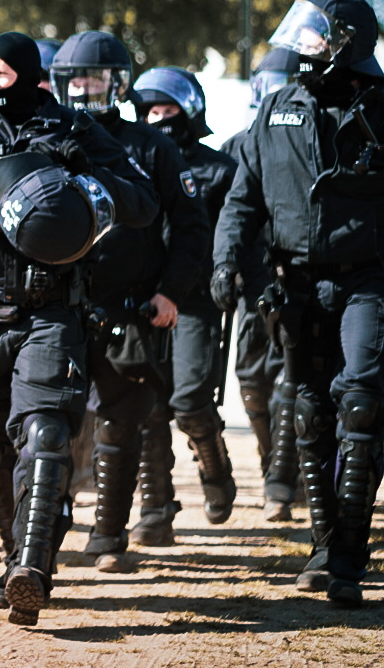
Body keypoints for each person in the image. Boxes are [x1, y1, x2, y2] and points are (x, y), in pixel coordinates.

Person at [212, 0, 384, 606]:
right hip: (297, 286)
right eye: (298, 35)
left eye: (315, 36)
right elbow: (242, 201)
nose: (301, 47)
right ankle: (323, 547)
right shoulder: (275, 112)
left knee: (359, 402)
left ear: (347, 43)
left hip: (371, 282)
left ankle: (350, 554)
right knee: (308, 412)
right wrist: (228, 264)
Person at [0, 31, 158, 625]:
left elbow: (141, 202)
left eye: (3, 74)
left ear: (30, 77)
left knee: (47, 434)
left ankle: (33, 566)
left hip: (52, 311)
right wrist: (15, 189)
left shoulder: (76, 129)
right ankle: (14, 560)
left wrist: (83, 178)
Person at [48, 34, 213, 572]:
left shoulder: (152, 147)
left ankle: (108, 534)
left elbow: (190, 227)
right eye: (76, 78)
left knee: (121, 425)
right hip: (59, 304)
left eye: (95, 78)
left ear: (117, 84)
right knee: (51, 420)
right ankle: (40, 532)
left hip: (132, 308)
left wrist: (170, 292)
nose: (84, 88)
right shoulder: (43, 138)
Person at [130, 66, 241, 541]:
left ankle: (216, 471)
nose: (158, 118)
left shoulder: (220, 170)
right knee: (148, 407)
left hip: (196, 301)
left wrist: (229, 274)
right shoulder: (130, 162)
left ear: (189, 111)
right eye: (150, 110)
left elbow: (236, 230)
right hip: (143, 302)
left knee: (191, 401)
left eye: (168, 109)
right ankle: (155, 510)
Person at [219, 49, 299, 520]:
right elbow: (224, 217)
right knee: (252, 382)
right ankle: (272, 462)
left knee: (293, 381)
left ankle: (283, 481)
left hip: (300, 282)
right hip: (252, 286)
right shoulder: (236, 147)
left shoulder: (315, 139)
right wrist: (221, 267)